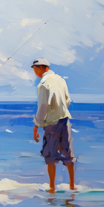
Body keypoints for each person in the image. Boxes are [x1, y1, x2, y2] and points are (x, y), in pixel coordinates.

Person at [30, 57, 75, 193]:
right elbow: (67, 100)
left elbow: (42, 106)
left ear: (41, 68)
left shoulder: (43, 84)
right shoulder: (61, 80)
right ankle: (72, 185)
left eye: (35, 69)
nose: (35, 72)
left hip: (52, 123)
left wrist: (36, 125)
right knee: (68, 154)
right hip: (64, 119)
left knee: (50, 155)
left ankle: (52, 187)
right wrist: (60, 109)